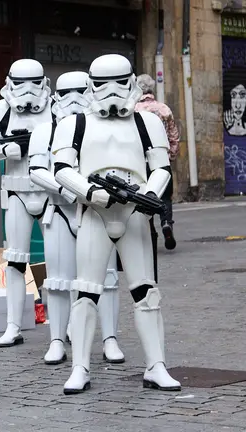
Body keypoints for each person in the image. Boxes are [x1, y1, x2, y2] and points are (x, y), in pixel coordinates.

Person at [52, 54, 181, 394]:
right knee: (86, 291)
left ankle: (156, 365)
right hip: (95, 213)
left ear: (131, 83)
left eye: (118, 83)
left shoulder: (147, 123)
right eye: (102, 83)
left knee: (145, 291)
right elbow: (62, 167)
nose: (110, 91)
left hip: (135, 213)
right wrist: (91, 192)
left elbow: (161, 167)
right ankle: (80, 366)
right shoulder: (74, 123)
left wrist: (147, 195)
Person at [28, 71, 125, 365]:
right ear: (55, 96)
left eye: (80, 91)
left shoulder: (99, 128)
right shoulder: (45, 131)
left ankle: (109, 338)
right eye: (67, 93)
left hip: (96, 211)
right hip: (59, 208)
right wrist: (67, 190)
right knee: (57, 281)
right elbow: (36, 169)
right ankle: (57, 339)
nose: (74, 100)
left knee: (106, 279)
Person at [0, 59, 52, 348]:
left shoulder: (54, 107)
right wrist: (8, 149)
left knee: (58, 262)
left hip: (49, 192)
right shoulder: (3, 108)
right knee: (16, 260)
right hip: (17, 192)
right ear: (10, 83)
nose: (29, 91)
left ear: (44, 82)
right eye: (21, 83)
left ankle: (63, 326)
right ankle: (13, 325)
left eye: (34, 82)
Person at [135, 74, 179, 250]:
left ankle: (151, 232)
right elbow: (173, 136)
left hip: (140, 160)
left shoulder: (133, 110)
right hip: (161, 159)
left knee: (146, 194)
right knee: (165, 195)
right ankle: (166, 223)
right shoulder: (164, 109)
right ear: (152, 89)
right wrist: (171, 156)